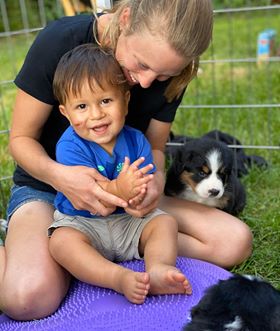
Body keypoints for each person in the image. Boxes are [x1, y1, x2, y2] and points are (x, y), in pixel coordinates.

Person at [0, 0, 252, 320]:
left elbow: (156, 149)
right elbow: (20, 140)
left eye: (163, 75)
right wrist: (62, 177)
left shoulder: (171, 71)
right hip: (49, 190)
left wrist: (154, 184)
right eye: (142, 64)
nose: (146, 82)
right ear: (127, 18)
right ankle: (49, 251)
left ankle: (106, 259)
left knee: (234, 242)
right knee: (28, 298)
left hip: (127, 198)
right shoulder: (60, 41)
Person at [48, 44, 192, 304]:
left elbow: (145, 182)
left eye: (105, 101)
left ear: (125, 100)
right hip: (84, 224)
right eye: (81, 106)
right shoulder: (69, 146)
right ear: (65, 113)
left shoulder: (136, 141)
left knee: (164, 223)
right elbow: (94, 192)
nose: (96, 114)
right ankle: (117, 277)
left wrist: (142, 195)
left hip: (128, 221)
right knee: (61, 243)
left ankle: (158, 268)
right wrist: (122, 188)